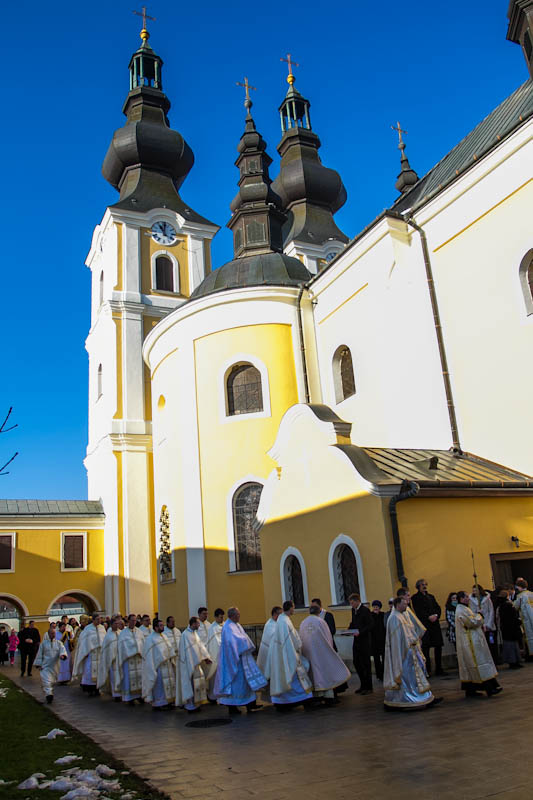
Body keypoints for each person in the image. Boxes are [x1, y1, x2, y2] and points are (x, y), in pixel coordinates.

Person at [383, 596, 440, 711]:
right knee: (406, 680)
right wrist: (409, 645)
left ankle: (425, 698)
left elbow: (409, 632)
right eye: (404, 604)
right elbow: (397, 640)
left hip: (410, 652)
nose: (406, 606)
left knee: (415, 679)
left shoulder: (402, 615)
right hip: (402, 655)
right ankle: (404, 700)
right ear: (398, 604)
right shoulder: (394, 618)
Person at [214, 607, 266, 715]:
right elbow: (232, 642)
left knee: (246, 683)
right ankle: (233, 708)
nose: (239, 616)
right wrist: (244, 642)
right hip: (234, 661)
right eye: (238, 614)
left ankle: (251, 704)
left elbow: (243, 637)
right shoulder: (228, 627)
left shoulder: (236, 625)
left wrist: (245, 642)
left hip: (242, 659)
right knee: (236, 685)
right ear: (233, 615)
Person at [299, 605, 351, 705]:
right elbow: (328, 637)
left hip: (308, 653)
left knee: (313, 674)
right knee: (325, 674)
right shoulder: (321, 621)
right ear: (319, 612)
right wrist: (329, 650)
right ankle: (328, 697)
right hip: (321, 652)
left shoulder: (303, 622)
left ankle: (316, 697)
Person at [266, 600, 313, 711]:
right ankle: (303, 699)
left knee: (288, 677)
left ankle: (283, 702)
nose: (294, 610)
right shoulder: (284, 621)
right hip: (288, 654)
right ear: (290, 608)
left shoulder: (282, 619)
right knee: (295, 677)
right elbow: (293, 639)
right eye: (293, 607)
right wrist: (299, 645)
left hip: (283, 653)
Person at [455, 590, 501, 698]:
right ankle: (489, 688)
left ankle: (471, 690)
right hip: (470, 642)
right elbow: (472, 622)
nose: (468, 598)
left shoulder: (464, 608)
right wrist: (479, 615)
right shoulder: (461, 610)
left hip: (471, 640)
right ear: (461, 599)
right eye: (466, 597)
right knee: (479, 664)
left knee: (472, 666)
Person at [175, 616, 214, 712]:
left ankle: (197, 703)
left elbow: (200, 646)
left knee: (198, 683)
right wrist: (192, 662)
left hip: (196, 663)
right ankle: (190, 705)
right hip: (189, 665)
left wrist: (206, 657)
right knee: (191, 685)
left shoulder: (194, 633)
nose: (199, 625)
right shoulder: (185, 635)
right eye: (198, 623)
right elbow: (185, 653)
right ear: (193, 624)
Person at [411, 579, 444, 676]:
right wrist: (428, 617)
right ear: (418, 587)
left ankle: (439, 668)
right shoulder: (415, 598)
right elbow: (419, 611)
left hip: (435, 625)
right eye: (422, 585)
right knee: (426, 648)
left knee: (438, 646)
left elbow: (438, 607)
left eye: (425, 584)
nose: (424, 586)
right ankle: (427, 669)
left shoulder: (431, 596)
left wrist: (436, 615)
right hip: (425, 625)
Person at [142, 618, 175, 710]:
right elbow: (149, 656)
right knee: (159, 685)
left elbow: (169, 648)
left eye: (162, 625)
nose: (162, 627)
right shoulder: (150, 639)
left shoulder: (164, 636)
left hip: (167, 664)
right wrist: (153, 666)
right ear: (155, 627)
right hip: (158, 666)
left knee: (168, 684)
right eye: (160, 625)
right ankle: (158, 703)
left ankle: (167, 701)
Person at [345, 593, 373, 694]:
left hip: (364, 641)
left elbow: (370, 625)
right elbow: (353, 622)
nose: (351, 605)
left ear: (357, 601)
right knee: (357, 662)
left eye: (352, 603)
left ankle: (369, 687)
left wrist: (360, 632)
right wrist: (349, 630)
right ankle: (363, 685)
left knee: (366, 664)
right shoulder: (353, 610)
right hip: (356, 641)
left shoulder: (365, 610)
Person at [72, 611, 106, 697]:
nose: (99, 621)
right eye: (97, 619)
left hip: (99, 653)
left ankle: (98, 689)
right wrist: (84, 652)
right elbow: (83, 642)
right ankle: (90, 689)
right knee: (89, 671)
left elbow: (104, 639)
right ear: (93, 620)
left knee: (99, 671)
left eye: (100, 619)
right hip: (90, 654)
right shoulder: (87, 629)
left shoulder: (102, 628)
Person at [34, 622, 68, 704]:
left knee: (52, 681)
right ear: (48, 634)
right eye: (52, 633)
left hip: (55, 666)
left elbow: (62, 650)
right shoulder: (43, 644)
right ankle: (49, 695)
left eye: (54, 633)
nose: (53, 635)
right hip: (45, 666)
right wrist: (38, 664)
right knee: (47, 681)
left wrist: (63, 655)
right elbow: (39, 654)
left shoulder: (59, 643)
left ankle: (48, 690)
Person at [117, 613, 145, 704]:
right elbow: (122, 647)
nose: (134, 622)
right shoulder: (123, 633)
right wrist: (132, 651)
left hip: (139, 658)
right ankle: (129, 698)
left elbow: (143, 643)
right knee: (128, 678)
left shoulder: (139, 632)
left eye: (135, 620)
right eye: (132, 620)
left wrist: (140, 651)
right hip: (128, 659)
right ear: (128, 621)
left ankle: (140, 695)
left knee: (140, 677)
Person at [97, 615, 123, 700]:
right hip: (113, 660)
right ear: (111, 625)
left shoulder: (121, 633)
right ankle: (116, 694)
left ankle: (122, 692)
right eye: (115, 624)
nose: (117, 625)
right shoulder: (108, 636)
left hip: (121, 658)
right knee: (114, 677)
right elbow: (106, 650)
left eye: (117, 623)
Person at [470, 584, 497, 663]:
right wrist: (478, 615)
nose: (474, 592)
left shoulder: (487, 598)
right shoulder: (472, 600)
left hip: (489, 624)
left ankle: (494, 659)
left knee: (491, 642)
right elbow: (472, 612)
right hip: (480, 624)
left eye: (476, 590)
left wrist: (488, 623)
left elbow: (491, 610)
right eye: (473, 591)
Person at [496, 590, 523, 669]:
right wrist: (518, 621)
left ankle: (514, 661)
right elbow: (513, 617)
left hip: (505, 628)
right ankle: (514, 661)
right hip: (511, 628)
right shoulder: (508, 605)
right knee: (512, 645)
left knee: (509, 645)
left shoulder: (500, 605)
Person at [206, 608, 224, 701]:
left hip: (225, 655)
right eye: (220, 617)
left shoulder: (225, 625)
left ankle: (224, 696)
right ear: (216, 617)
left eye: (223, 617)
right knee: (216, 676)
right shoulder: (212, 628)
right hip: (217, 655)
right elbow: (216, 643)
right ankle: (214, 696)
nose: (222, 619)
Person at [257, 606, 281, 675]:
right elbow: (275, 637)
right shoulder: (270, 624)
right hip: (268, 650)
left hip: (269, 649)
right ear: (275, 614)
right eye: (280, 614)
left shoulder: (274, 622)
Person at [514, 578, 533, 660]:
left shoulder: (520, 596)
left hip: (526, 620)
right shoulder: (531, 594)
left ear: (519, 587)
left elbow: (515, 606)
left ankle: (530, 654)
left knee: (529, 637)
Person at [370, 600, 386, 681]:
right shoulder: (370, 615)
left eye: (377, 607)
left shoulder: (383, 615)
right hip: (374, 640)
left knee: (384, 657)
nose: (375, 608)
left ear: (380, 608)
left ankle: (384, 673)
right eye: (374, 607)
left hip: (383, 640)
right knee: (376, 659)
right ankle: (379, 675)